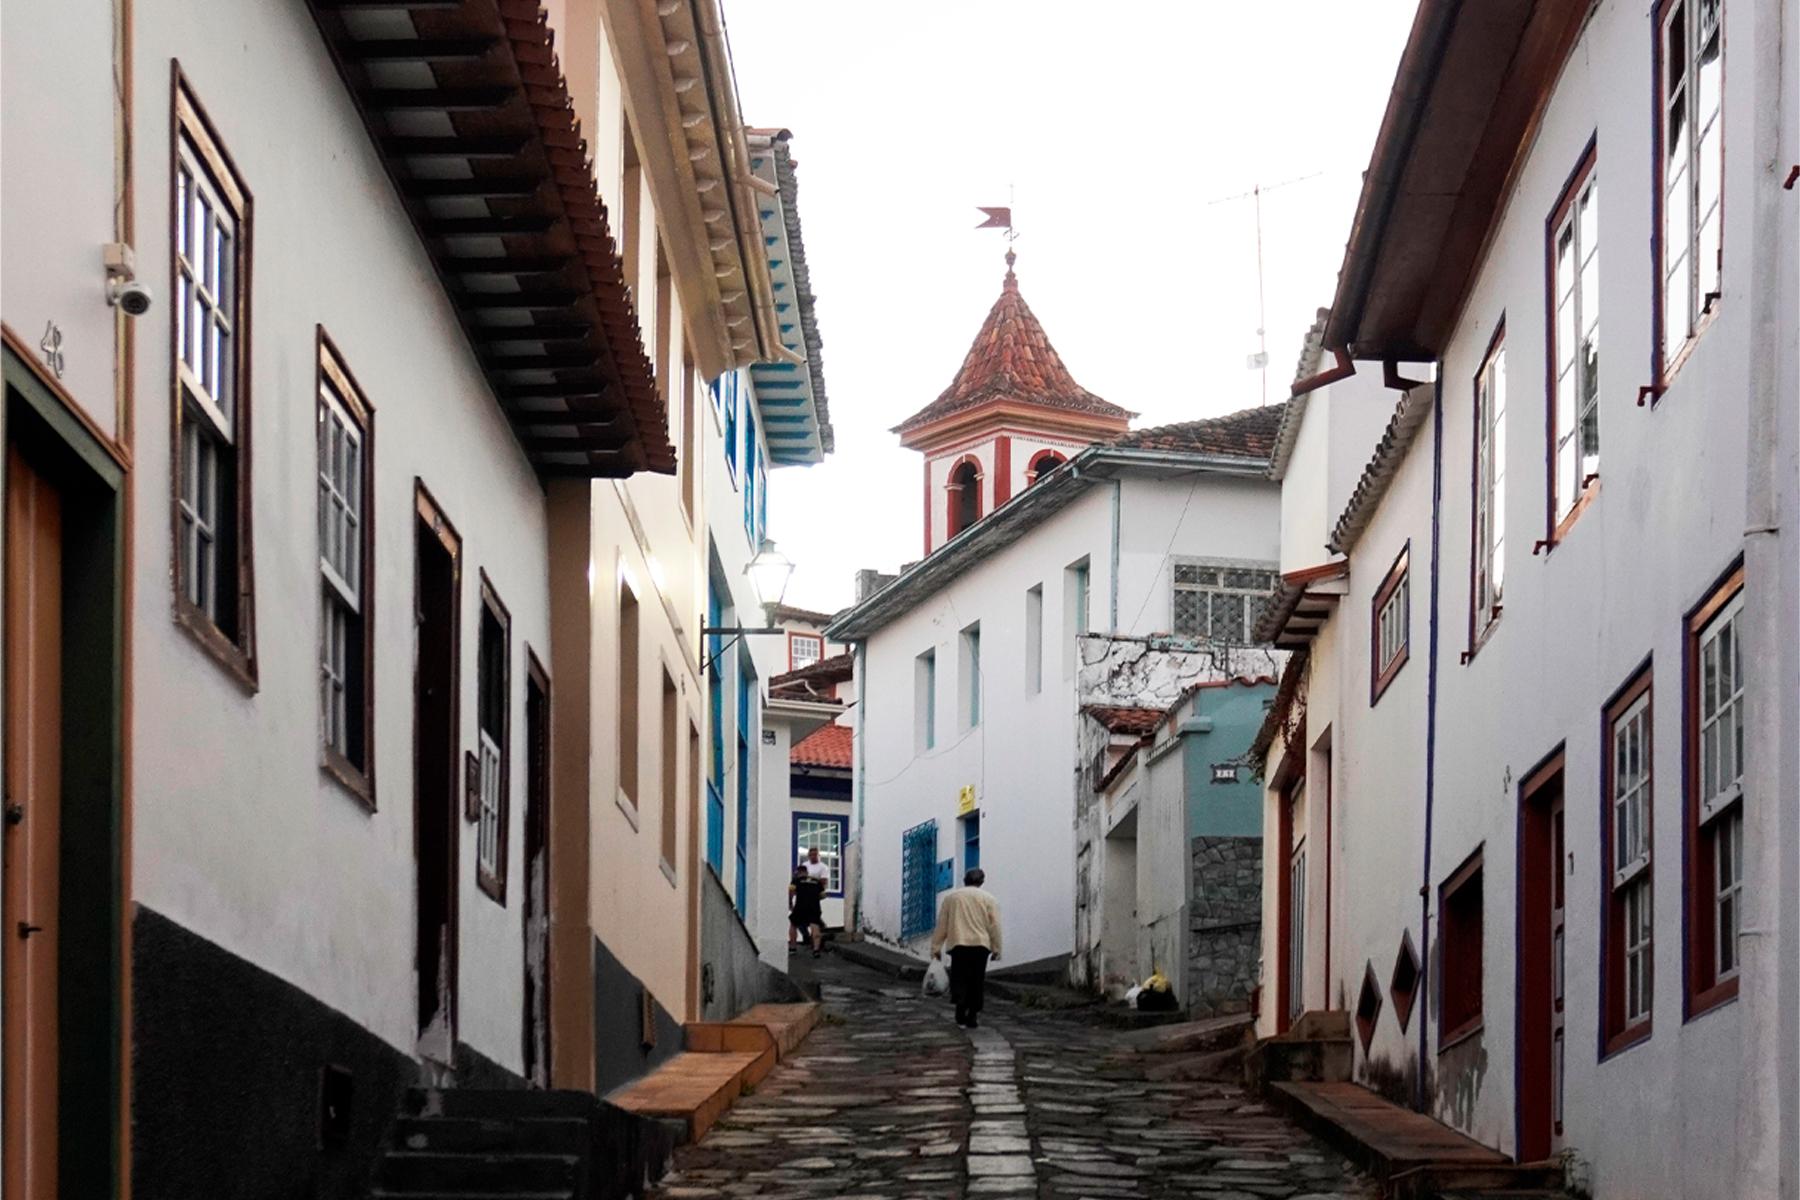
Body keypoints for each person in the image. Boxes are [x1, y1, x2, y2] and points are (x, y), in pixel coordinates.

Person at [930, 868, 1002, 1028]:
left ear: (964, 880)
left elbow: (942, 924)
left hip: (959, 944)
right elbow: (994, 926)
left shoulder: (952, 898)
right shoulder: (989, 899)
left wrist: (936, 947)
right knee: (977, 980)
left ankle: (960, 1007)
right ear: (982, 882)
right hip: (980, 945)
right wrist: (996, 948)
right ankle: (973, 1015)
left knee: (959, 977)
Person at [789, 864, 825, 957]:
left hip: (800, 906)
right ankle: (816, 950)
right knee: (815, 926)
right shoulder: (817, 881)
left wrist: (790, 903)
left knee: (793, 925)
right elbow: (823, 896)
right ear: (807, 872)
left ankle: (793, 948)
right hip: (814, 907)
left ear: (798, 872)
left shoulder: (796, 880)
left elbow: (791, 892)